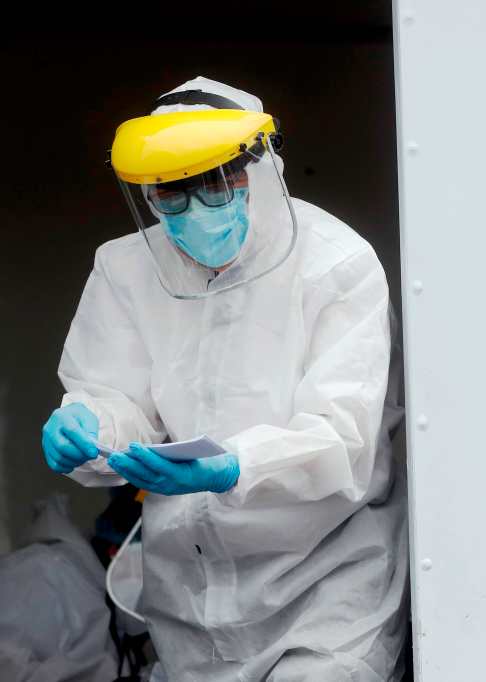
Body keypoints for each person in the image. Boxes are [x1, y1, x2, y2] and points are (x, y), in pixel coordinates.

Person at [40, 77, 408, 681]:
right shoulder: (126, 267)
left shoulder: (335, 264)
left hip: (326, 594)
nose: (195, 210)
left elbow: (344, 439)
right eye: (171, 193)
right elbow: (118, 398)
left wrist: (236, 466)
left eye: (215, 183)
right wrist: (90, 424)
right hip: (189, 608)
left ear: (260, 167)